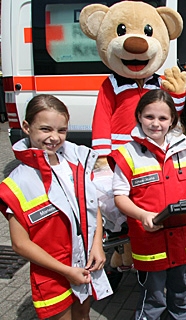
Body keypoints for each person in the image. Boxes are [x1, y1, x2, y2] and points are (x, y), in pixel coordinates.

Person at [0, 94, 112, 319]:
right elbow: (20, 245)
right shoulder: (17, 183)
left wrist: (97, 244)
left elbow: (92, 207)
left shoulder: (77, 163)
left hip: (85, 264)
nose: (54, 137)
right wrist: (66, 271)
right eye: (45, 129)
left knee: (83, 315)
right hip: (52, 274)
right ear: (26, 127)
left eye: (61, 130)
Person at [109, 89, 186, 319]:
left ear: (172, 121)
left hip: (184, 239)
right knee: (153, 298)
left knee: (181, 294)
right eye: (149, 117)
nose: (156, 123)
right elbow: (120, 197)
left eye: (163, 118)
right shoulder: (126, 154)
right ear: (138, 116)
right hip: (151, 243)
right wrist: (142, 214)